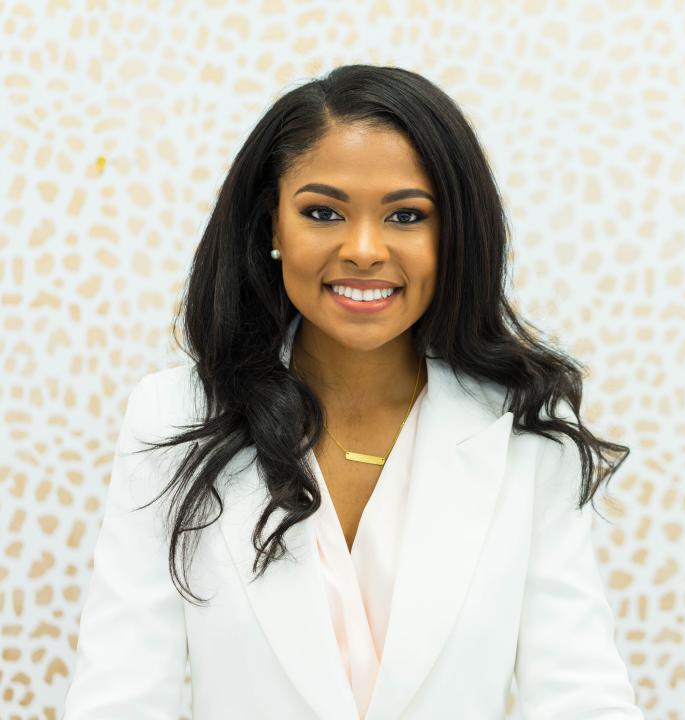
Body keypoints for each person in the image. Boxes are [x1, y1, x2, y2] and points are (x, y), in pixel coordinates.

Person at [62, 64, 643, 719]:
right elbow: (120, 694)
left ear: (454, 234)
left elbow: (580, 693)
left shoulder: (525, 426)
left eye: (406, 215)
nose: (364, 249)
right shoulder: (175, 415)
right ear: (271, 228)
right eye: (322, 211)